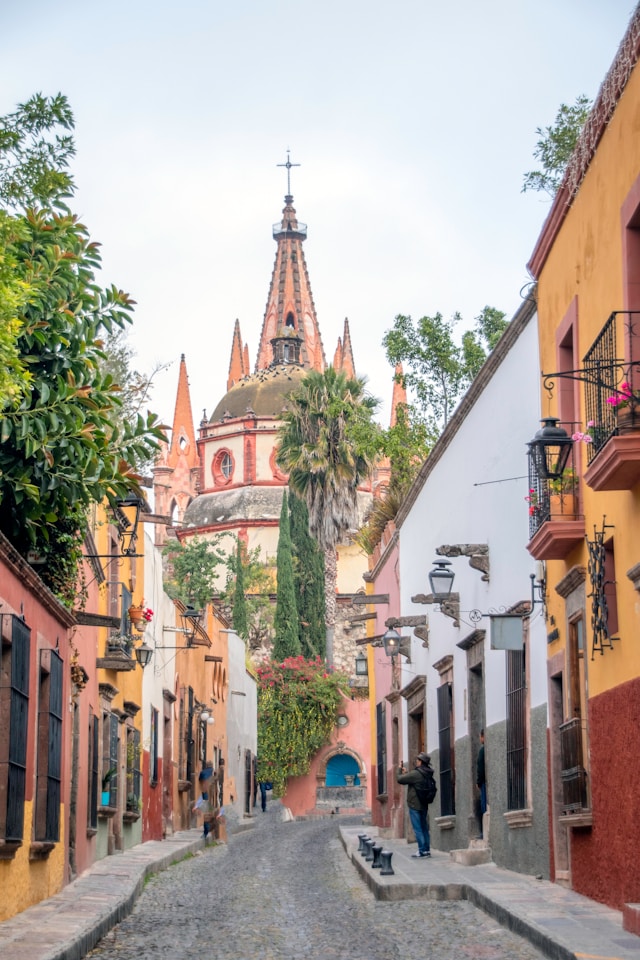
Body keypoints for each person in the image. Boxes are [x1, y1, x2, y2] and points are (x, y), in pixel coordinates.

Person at [397, 752, 432, 858]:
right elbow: (413, 780)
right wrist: (407, 773)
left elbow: (400, 779)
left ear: (421, 762)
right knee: (424, 827)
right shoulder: (427, 772)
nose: (416, 762)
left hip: (415, 804)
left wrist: (399, 770)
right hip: (424, 803)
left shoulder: (416, 773)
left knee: (418, 828)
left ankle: (421, 851)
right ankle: (426, 850)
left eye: (417, 760)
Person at [477, 729, 487, 838]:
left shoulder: (482, 751)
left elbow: (480, 768)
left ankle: (484, 832)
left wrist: (478, 782)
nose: (480, 739)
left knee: (484, 806)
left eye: (480, 736)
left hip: (484, 783)